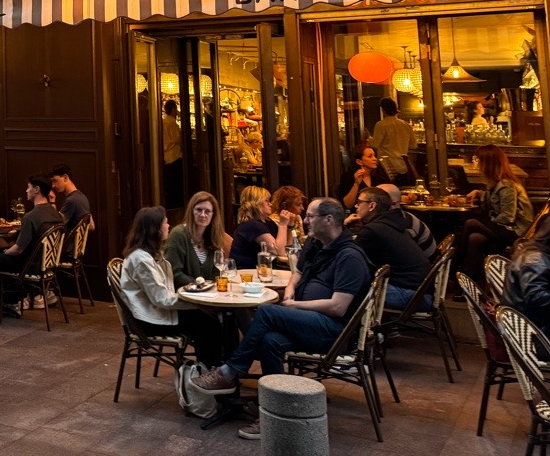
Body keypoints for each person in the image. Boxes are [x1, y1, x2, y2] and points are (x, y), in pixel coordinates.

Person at [193, 198, 373, 438]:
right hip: (309, 320)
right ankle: (273, 414)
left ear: (329, 220)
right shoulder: (316, 244)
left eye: (310, 216)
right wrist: (289, 290)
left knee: (267, 311)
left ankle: (230, 371)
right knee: (270, 340)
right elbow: (297, 271)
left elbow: (338, 307)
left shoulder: (349, 256)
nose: (305, 220)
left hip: (334, 331)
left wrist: (295, 305)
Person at [120, 206, 226, 366]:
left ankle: (213, 367)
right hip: (147, 321)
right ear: (155, 229)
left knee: (207, 319)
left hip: (153, 312)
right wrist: (197, 304)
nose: (168, 226)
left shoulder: (149, 254)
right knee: (206, 322)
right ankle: (211, 369)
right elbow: (162, 299)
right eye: (165, 223)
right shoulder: (141, 260)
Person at [0, 175, 63, 326]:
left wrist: (4, 253)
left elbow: (18, 249)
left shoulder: (31, 216)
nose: (26, 191)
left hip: (28, 264)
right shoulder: (55, 214)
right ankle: (10, 302)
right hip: (43, 264)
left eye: (28, 187)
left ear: (36, 189)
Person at [457, 144, 535, 286]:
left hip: (515, 231)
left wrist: (488, 223)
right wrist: (478, 193)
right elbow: (492, 199)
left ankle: (456, 267)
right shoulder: (495, 183)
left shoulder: (506, 185)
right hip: (503, 228)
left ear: (488, 163)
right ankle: (471, 281)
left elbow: (507, 217)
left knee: (471, 223)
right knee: (475, 238)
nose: (476, 163)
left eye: (478, 160)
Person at [351, 187, 430, 310]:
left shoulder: (372, 230)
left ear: (372, 206)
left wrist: (343, 226)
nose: (356, 206)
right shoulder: (392, 223)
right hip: (423, 290)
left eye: (359, 202)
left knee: (346, 290)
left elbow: (350, 258)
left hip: (410, 295)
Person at [505, 213, 550, 358]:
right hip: (535, 338)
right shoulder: (535, 261)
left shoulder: (541, 256)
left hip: (542, 330)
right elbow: (536, 298)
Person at [165, 191, 228, 288]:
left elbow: (217, 273)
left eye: (207, 211)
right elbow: (174, 273)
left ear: (213, 215)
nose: (203, 215)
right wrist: (200, 285)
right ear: (191, 211)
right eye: (199, 210)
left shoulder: (213, 236)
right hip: (184, 294)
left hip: (210, 294)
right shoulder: (178, 235)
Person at [229, 186, 294, 269]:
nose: (271, 204)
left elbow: (286, 248)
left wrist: (290, 226)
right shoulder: (251, 225)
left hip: (262, 270)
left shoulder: (268, 222)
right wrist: (283, 225)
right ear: (256, 203)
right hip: (246, 272)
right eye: (266, 201)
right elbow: (278, 251)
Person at [374, 183, 436, 258]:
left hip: (425, 262)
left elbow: (403, 256)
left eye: (375, 201)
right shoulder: (399, 216)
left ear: (392, 204)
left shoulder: (403, 225)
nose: (371, 205)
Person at [370, 97, 417, 185]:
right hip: (403, 166)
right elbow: (414, 145)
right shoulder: (406, 125)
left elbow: (375, 144)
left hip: (387, 167)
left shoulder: (381, 125)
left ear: (383, 110)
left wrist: (368, 138)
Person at [336, 146, 391, 210]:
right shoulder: (349, 176)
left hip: (379, 212)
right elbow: (348, 204)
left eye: (374, 156)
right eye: (370, 156)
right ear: (359, 162)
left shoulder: (379, 175)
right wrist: (356, 184)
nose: (375, 159)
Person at [50, 164, 94, 235]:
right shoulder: (82, 197)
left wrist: (52, 201)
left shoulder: (72, 200)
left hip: (68, 242)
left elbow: (55, 226)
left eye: (55, 180)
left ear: (65, 178)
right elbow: (91, 225)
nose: (53, 185)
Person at [161, 99, 184, 209]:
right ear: (173, 109)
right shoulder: (172, 123)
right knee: (176, 184)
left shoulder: (163, 122)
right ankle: (176, 206)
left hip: (166, 157)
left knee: (169, 184)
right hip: (174, 156)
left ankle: (170, 206)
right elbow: (177, 139)